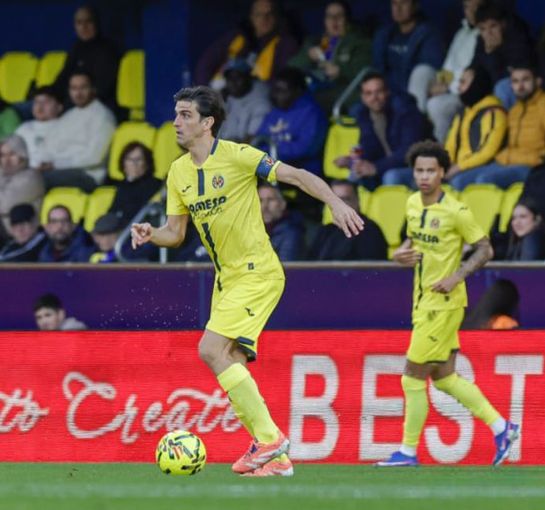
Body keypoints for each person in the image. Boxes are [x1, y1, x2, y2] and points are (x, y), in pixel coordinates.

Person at [131, 85, 363, 477]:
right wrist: (152, 233)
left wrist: (335, 202)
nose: (176, 122)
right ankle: (277, 456)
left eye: (185, 115)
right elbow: (176, 233)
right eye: (176, 114)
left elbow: (296, 175)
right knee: (231, 359)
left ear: (208, 123)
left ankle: (270, 441)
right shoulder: (178, 172)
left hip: (257, 272)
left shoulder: (238, 155)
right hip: (226, 280)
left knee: (210, 349)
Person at [377, 140, 519, 467]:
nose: (424, 176)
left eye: (431, 171)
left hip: (442, 304)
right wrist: (400, 253)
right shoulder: (412, 203)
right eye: (419, 171)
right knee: (444, 378)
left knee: (411, 376)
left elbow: (485, 249)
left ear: (442, 173)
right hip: (422, 300)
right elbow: (412, 240)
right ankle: (503, 428)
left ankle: (407, 452)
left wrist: (457, 276)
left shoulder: (457, 211)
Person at [447, 62, 543, 190]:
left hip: (530, 165)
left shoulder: (542, 107)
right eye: (515, 81)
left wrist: (539, 159)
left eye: (525, 80)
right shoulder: (514, 110)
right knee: (459, 181)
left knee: (484, 180)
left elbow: (488, 151)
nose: (520, 86)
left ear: (538, 81)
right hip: (504, 162)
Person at [335, 71, 427, 190]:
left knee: (391, 176)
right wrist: (352, 162)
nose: (374, 98)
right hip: (386, 166)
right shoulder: (364, 115)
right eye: (369, 93)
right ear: (363, 97)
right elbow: (369, 148)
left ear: (387, 92)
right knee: (354, 176)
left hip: (419, 167)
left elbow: (409, 151)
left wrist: (376, 167)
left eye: (378, 92)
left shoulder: (406, 112)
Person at [288, 0, 372, 113]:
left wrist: (341, 71)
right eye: (330, 16)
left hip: (343, 90)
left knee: (311, 102)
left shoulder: (359, 42)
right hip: (314, 87)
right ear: (325, 20)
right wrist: (308, 56)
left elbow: (364, 73)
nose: (334, 20)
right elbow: (290, 67)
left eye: (339, 16)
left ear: (347, 19)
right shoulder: (315, 41)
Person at [195, 0, 299, 89]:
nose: (264, 19)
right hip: (222, 91)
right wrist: (205, 92)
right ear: (251, 17)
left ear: (277, 17)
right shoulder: (236, 36)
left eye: (269, 14)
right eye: (258, 14)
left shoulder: (286, 43)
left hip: (258, 95)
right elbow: (205, 64)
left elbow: (281, 80)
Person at [45, 71, 116, 192]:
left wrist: (57, 164)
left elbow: (95, 157)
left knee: (39, 180)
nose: (78, 93)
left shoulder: (103, 116)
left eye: (83, 88)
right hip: (59, 170)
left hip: (89, 175)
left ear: (93, 89)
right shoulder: (68, 115)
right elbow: (50, 145)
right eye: (74, 88)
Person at [372, 0, 444, 112]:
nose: (398, 9)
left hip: (411, 95)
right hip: (386, 93)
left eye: (404, 3)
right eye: (394, 3)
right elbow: (377, 69)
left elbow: (427, 71)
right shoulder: (384, 34)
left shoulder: (428, 35)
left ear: (415, 6)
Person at [426, 0, 483, 142]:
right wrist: (440, 83)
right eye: (467, 7)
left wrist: (447, 87)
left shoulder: (485, 34)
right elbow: (448, 66)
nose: (471, 12)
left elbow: (473, 73)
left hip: (466, 93)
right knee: (423, 76)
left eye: (476, 7)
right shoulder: (461, 33)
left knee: (436, 105)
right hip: (450, 88)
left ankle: (440, 150)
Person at [255, 67, 328, 176]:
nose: (276, 95)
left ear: (297, 91)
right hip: (273, 166)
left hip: (303, 172)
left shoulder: (312, 112)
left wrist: (271, 151)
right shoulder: (276, 110)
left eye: (282, 91)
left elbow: (306, 149)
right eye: (275, 90)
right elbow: (259, 140)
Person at [54, 5, 121, 115]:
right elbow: (63, 77)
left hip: (96, 103)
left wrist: (71, 98)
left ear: (96, 24)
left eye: (88, 22)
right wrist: (48, 95)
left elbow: (103, 88)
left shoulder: (107, 49)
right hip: (72, 99)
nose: (84, 27)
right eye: (79, 23)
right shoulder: (76, 47)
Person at [470, 2, 534, 109]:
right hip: (490, 91)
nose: (488, 33)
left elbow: (507, 78)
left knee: (502, 88)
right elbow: (475, 66)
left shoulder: (518, 40)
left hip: (516, 89)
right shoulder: (481, 41)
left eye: (493, 26)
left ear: (503, 24)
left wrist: (491, 54)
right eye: (482, 29)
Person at [307, 180, 387, 260]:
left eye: (346, 199)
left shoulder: (370, 230)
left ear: (358, 200)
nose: (340, 205)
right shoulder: (325, 230)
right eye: (335, 201)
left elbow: (371, 265)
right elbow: (309, 263)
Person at [108, 142, 163, 227]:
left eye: (138, 159)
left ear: (147, 163)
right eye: (129, 159)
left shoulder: (155, 185)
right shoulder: (122, 186)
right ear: (123, 164)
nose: (134, 164)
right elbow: (111, 213)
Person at [0, 135, 44, 240]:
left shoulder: (31, 177)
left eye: (12, 154)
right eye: (2, 155)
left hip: (16, 233)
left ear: (22, 155)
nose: (7, 160)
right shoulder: (4, 174)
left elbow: (3, 204)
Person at [218, 58, 271, 143]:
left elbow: (251, 141)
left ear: (249, 77)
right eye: (229, 78)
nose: (233, 82)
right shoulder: (229, 97)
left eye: (238, 77)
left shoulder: (261, 103)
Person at [15, 86, 64, 170]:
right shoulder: (24, 128)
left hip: (55, 171)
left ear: (59, 107)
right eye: (36, 102)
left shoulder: (66, 127)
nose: (40, 106)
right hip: (24, 171)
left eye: (46, 102)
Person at [258, 181, 305, 261]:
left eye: (270, 200)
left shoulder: (291, 233)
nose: (264, 206)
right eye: (260, 200)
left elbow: (286, 265)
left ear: (283, 204)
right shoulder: (250, 230)